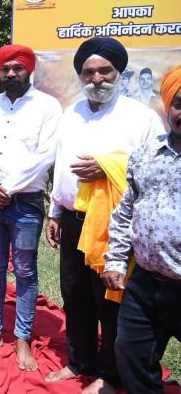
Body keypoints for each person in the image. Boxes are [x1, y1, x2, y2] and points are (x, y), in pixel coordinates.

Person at [45, 38, 164, 394]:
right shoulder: (72, 114)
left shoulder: (140, 117)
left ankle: (110, 376)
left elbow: (154, 170)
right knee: (75, 294)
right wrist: (54, 211)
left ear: (118, 72)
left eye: (104, 71)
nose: (96, 78)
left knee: (109, 299)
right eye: (88, 72)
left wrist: (107, 167)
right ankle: (79, 361)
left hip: (114, 225)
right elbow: (60, 166)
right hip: (72, 218)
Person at [0, 45, 62, 369]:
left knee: (25, 271)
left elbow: (45, 156)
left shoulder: (47, 107)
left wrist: (8, 187)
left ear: (28, 70)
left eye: (17, 68)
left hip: (26, 203)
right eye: (5, 69)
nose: (10, 74)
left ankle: (22, 338)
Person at [103, 65, 181, 393]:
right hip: (146, 283)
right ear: (167, 106)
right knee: (130, 354)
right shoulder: (148, 153)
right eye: (179, 102)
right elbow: (126, 211)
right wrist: (116, 260)